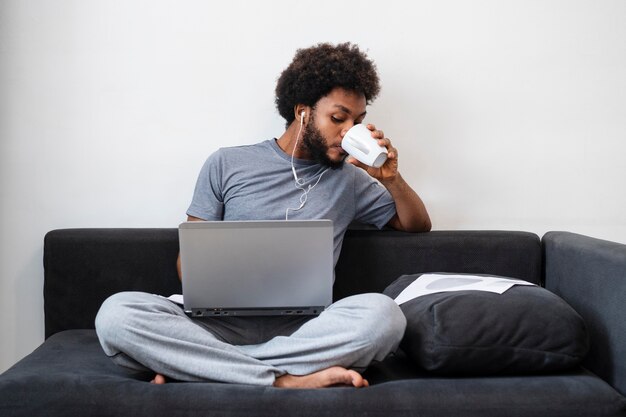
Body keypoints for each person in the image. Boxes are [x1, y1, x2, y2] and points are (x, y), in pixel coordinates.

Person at [95, 42, 431, 389]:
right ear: (302, 112)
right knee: (117, 315)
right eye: (338, 118)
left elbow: (416, 225)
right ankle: (283, 380)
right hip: (216, 325)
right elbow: (186, 268)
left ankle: (214, 369)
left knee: (384, 316)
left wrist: (392, 179)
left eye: (357, 121)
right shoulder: (227, 163)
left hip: (305, 329)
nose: (349, 131)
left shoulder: (349, 180)